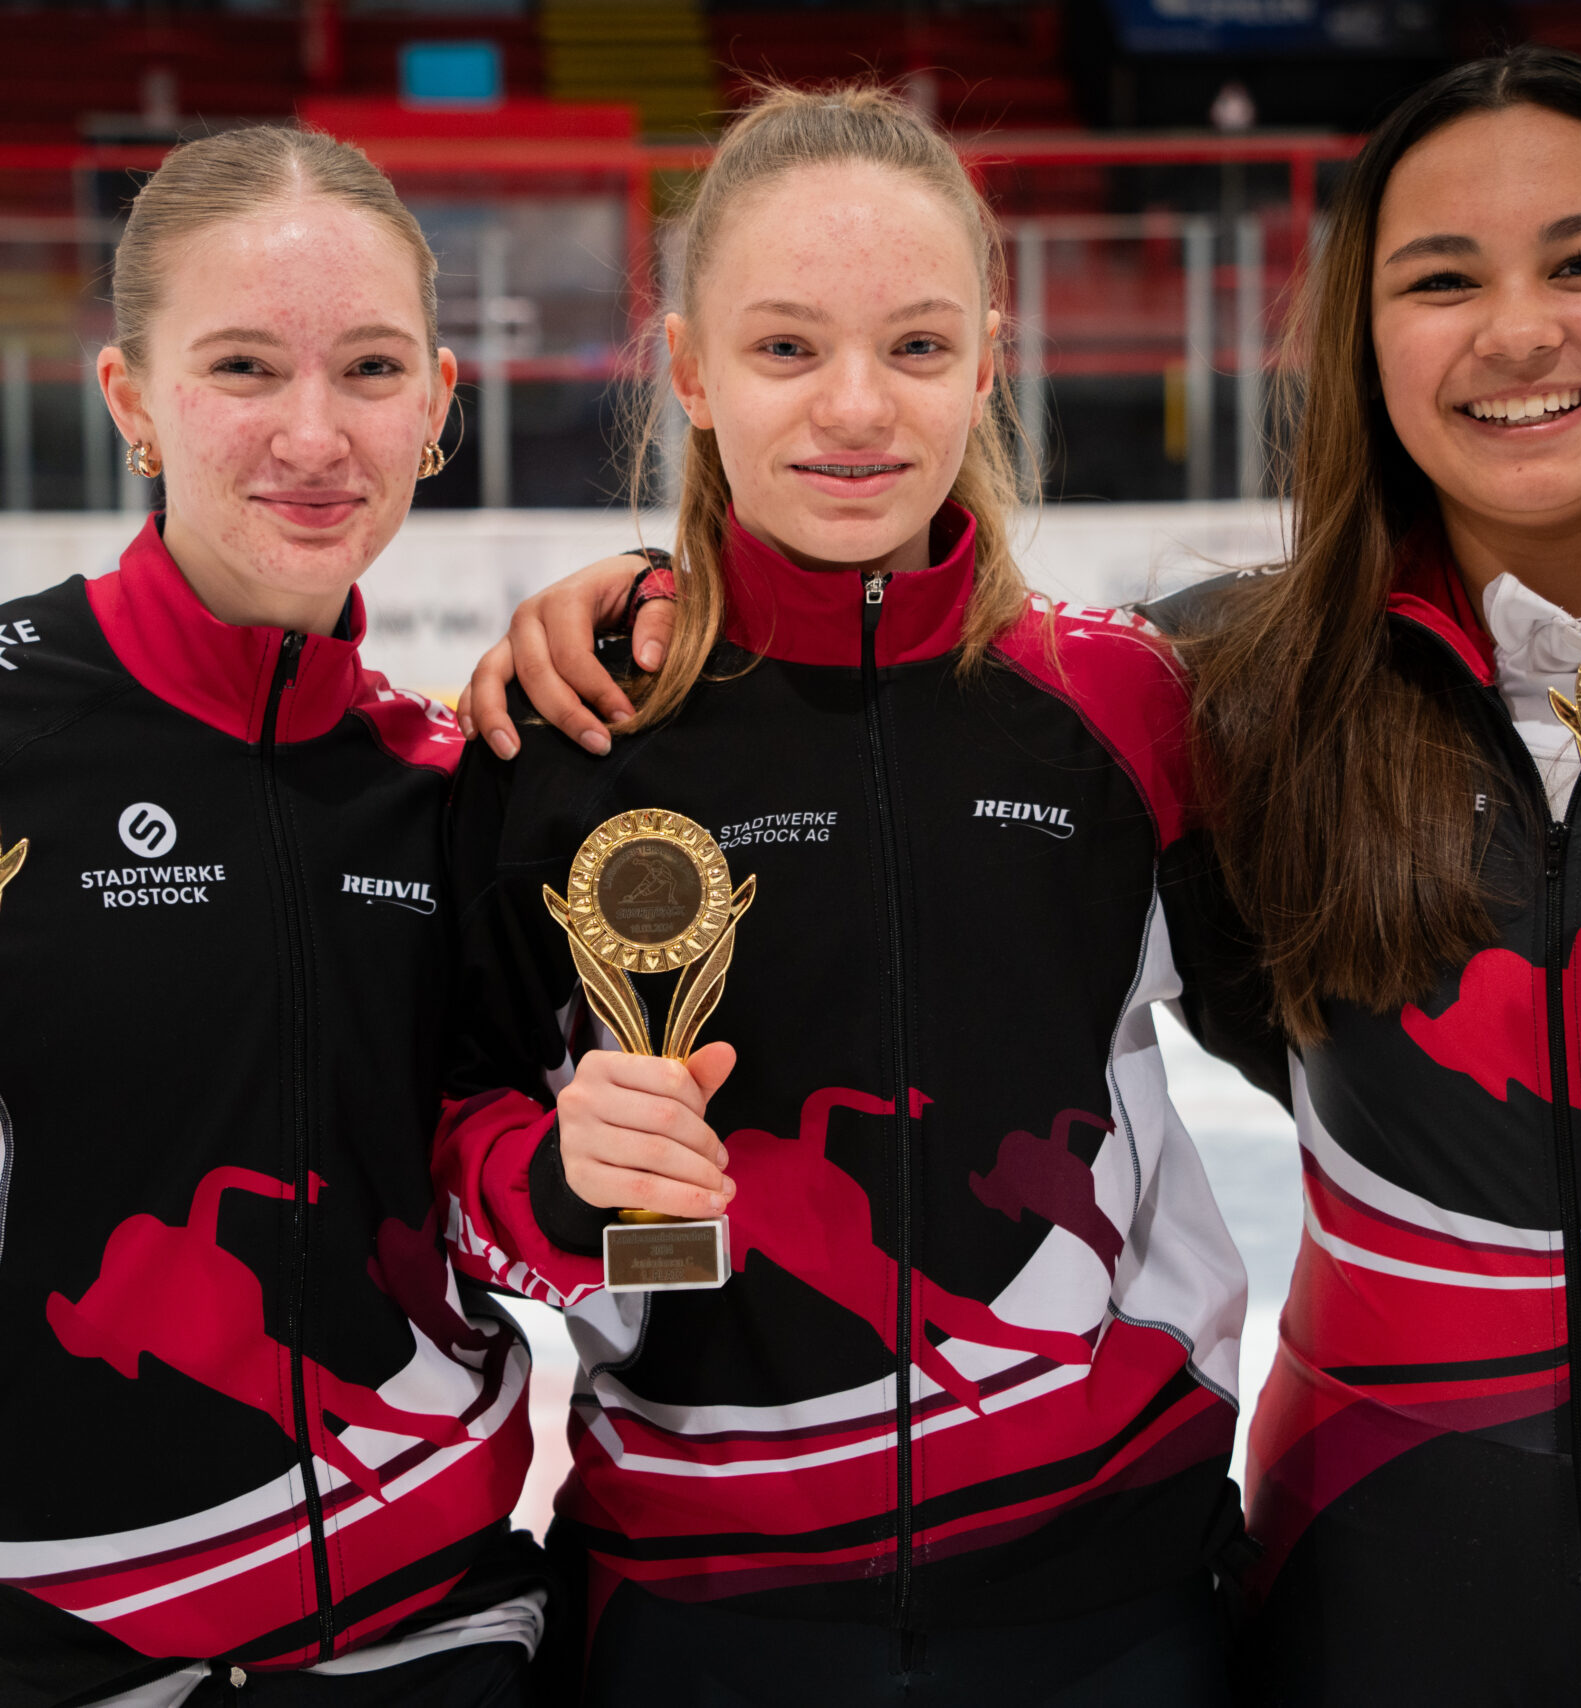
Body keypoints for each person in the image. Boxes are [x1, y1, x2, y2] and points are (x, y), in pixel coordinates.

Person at [466, 49, 1581, 1707]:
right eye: (1441, 279)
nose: (1517, 330)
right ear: (1364, 338)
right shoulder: (1242, 689)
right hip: (1381, 1569)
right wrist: (648, 596)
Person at [0, 126, 544, 1707]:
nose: (315, 434)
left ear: (437, 405)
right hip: (32, 1650)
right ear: (130, 399)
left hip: (436, 1636)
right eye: (243, 367)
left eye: (372, 370)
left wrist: (594, 1191)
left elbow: (499, 1197)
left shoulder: (452, 785)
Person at [432, 84, 1248, 1705]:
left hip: (1110, 1597)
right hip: (702, 1611)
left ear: (991, 359)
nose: (856, 407)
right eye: (788, 347)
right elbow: (447, 1150)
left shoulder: (1123, 709)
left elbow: (1348, 1048)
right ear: (690, 370)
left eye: (919, 346)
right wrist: (564, 1189)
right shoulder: (572, 732)